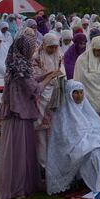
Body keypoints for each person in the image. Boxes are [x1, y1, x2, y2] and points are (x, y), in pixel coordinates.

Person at [0, 33, 61, 199]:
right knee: (18, 152)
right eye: (31, 48)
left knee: (23, 151)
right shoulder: (20, 67)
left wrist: (46, 74)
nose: (33, 50)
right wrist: (50, 77)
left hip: (19, 112)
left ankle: (24, 184)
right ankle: (17, 188)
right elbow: (35, 89)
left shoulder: (15, 63)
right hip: (19, 114)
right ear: (25, 49)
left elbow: (31, 79)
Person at [46, 81, 100, 195]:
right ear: (69, 95)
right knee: (94, 155)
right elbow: (66, 139)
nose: (79, 96)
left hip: (90, 144)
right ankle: (88, 182)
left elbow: (99, 129)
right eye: (75, 93)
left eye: (81, 92)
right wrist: (89, 144)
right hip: (74, 149)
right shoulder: (63, 114)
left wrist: (95, 141)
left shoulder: (86, 109)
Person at [33, 32, 65, 168]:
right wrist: (49, 77)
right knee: (40, 135)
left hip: (55, 96)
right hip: (41, 97)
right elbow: (35, 79)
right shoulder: (36, 58)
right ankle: (42, 165)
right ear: (44, 44)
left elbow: (62, 73)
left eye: (55, 47)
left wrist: (59, 78)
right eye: (50, 47)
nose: (52, 50)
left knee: (53, 133)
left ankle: (54, 164)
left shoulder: (58, 56)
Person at [73, 35, 100, 115]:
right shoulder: (82, 59)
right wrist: (99, 76)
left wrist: (95, 76)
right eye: (98, 50)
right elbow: (82, 78)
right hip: (88, 96)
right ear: (93, 48)